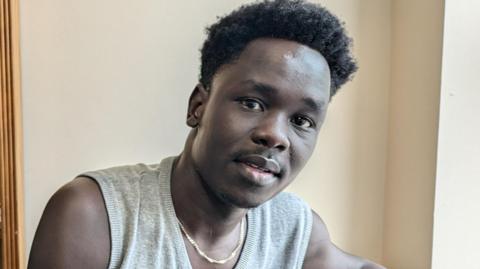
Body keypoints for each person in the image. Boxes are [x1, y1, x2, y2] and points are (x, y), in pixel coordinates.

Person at [28, 1, 385, 268]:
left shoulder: (292, 229)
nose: (275, 136)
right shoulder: (95, 215)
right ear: (198, 106)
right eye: (252, 102)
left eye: (303, 121)